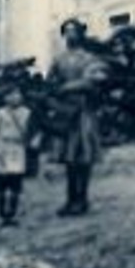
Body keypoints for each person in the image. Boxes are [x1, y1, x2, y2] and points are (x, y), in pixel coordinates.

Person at [49, 18, 105, 216]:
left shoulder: (90, 59)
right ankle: (71, 199)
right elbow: (51, 83)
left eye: (74, 31)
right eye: (67, 31)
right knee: (69, 159)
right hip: (65, 113)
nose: (71, 35)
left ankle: (83, 199)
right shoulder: (59, 60)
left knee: (84, 157)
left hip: (84, 112)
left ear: (81, 34)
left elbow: (95, 81)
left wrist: (68, 87)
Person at [0, 87, 33, 226]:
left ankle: (12, 214)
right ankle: (2, 214)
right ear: (5, 98)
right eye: (11, 95)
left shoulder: (27, 113)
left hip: (18, 150)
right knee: (1, 183)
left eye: (17, 94)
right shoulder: (0, 113)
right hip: (2, 150)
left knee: (15, 183)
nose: (14, 98)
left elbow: (32, 130)